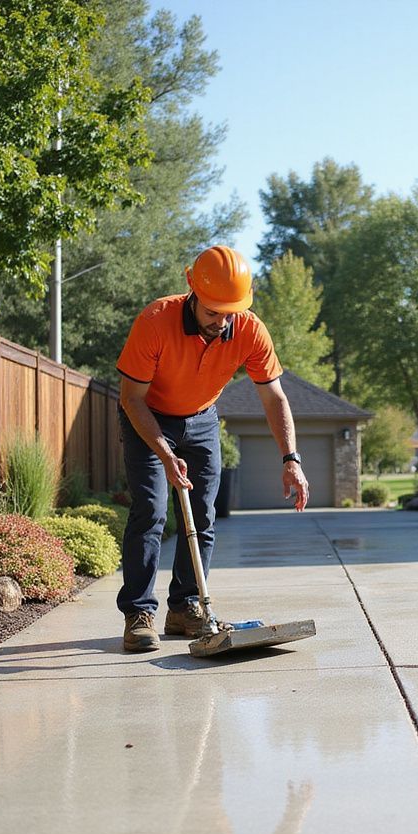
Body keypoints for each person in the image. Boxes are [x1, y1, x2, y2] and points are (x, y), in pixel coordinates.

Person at [115, 245, 309, 652]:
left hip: (202, 419)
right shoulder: (156, 320)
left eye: (229, 312)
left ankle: (185, 607)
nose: (220, 322)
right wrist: (165, 453)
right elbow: (131, 397)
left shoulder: (251, 330)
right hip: (147, 416)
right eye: (212, 312)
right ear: (192, 288)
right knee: (151, 510)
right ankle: (138, 613)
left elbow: (274, 398)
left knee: (203, 515)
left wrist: (291, 458)